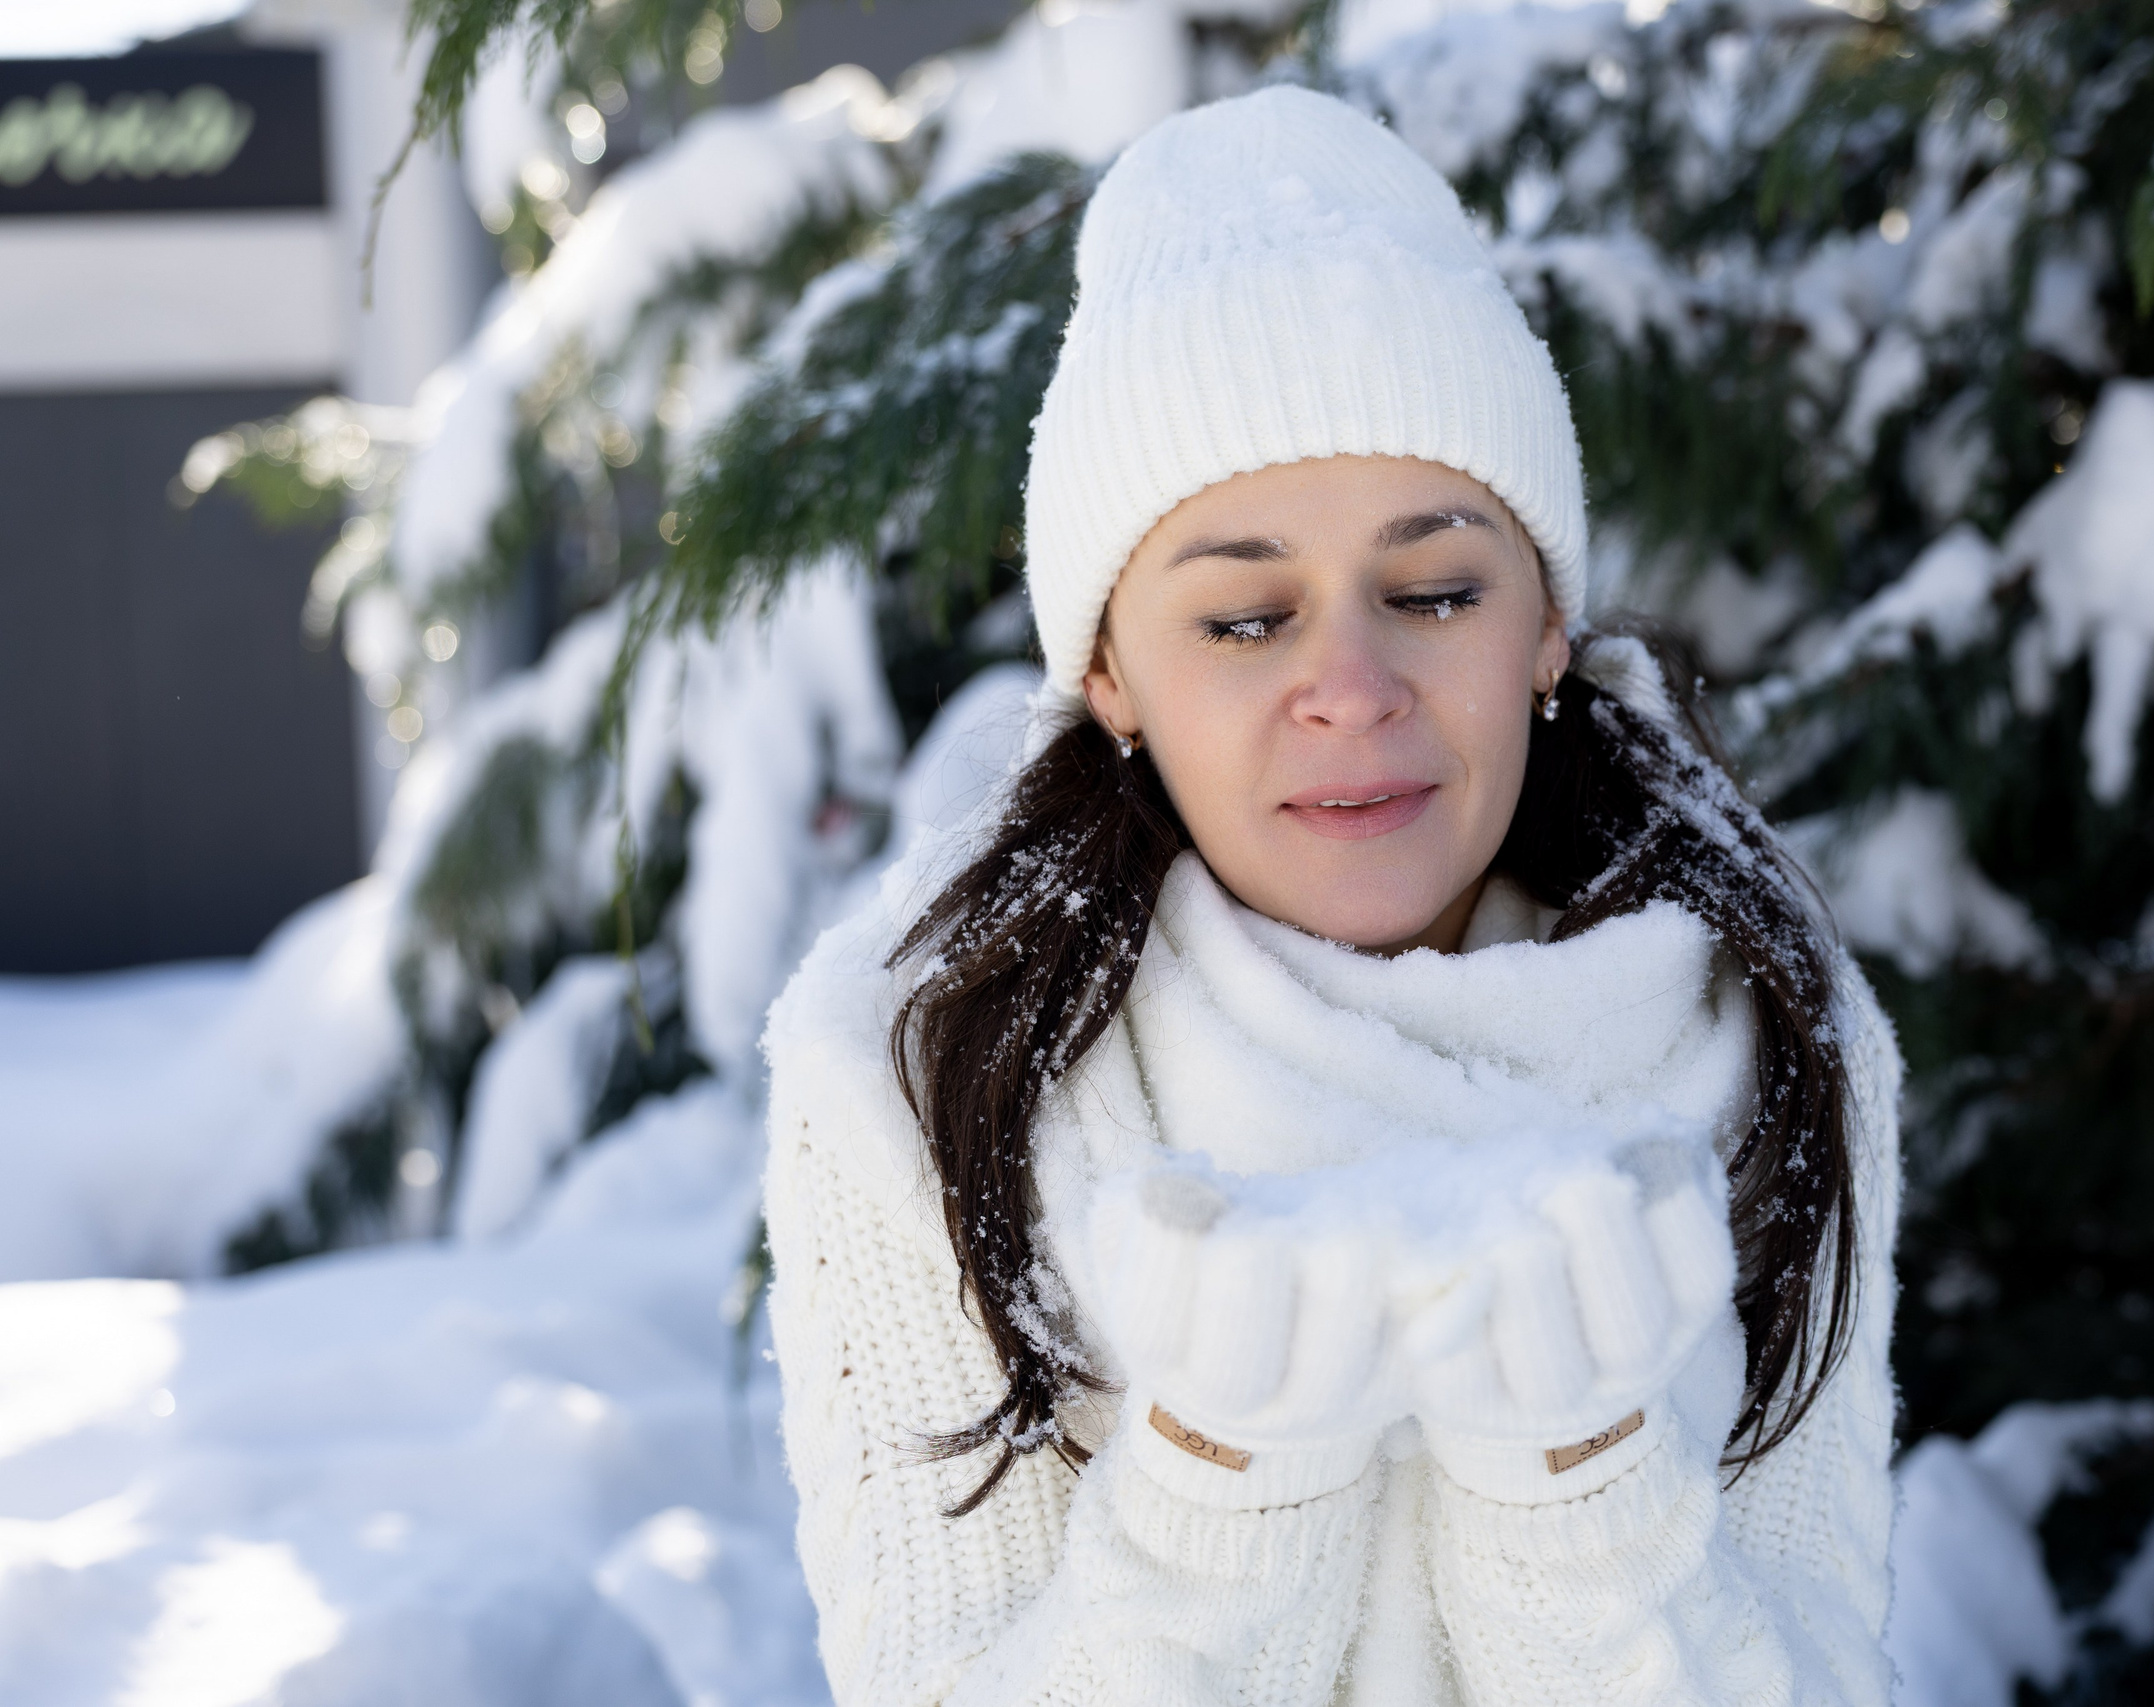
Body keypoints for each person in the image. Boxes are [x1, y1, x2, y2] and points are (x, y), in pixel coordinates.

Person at [762, 85, 1902, 1707]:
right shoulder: (918, 1068)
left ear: (1546, 627)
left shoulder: (1765, 1021)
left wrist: (1578, 1481)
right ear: (1107, 671)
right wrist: (1231, 1475)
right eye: (1244, 620)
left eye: (1434, 591)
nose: (1352, 690)